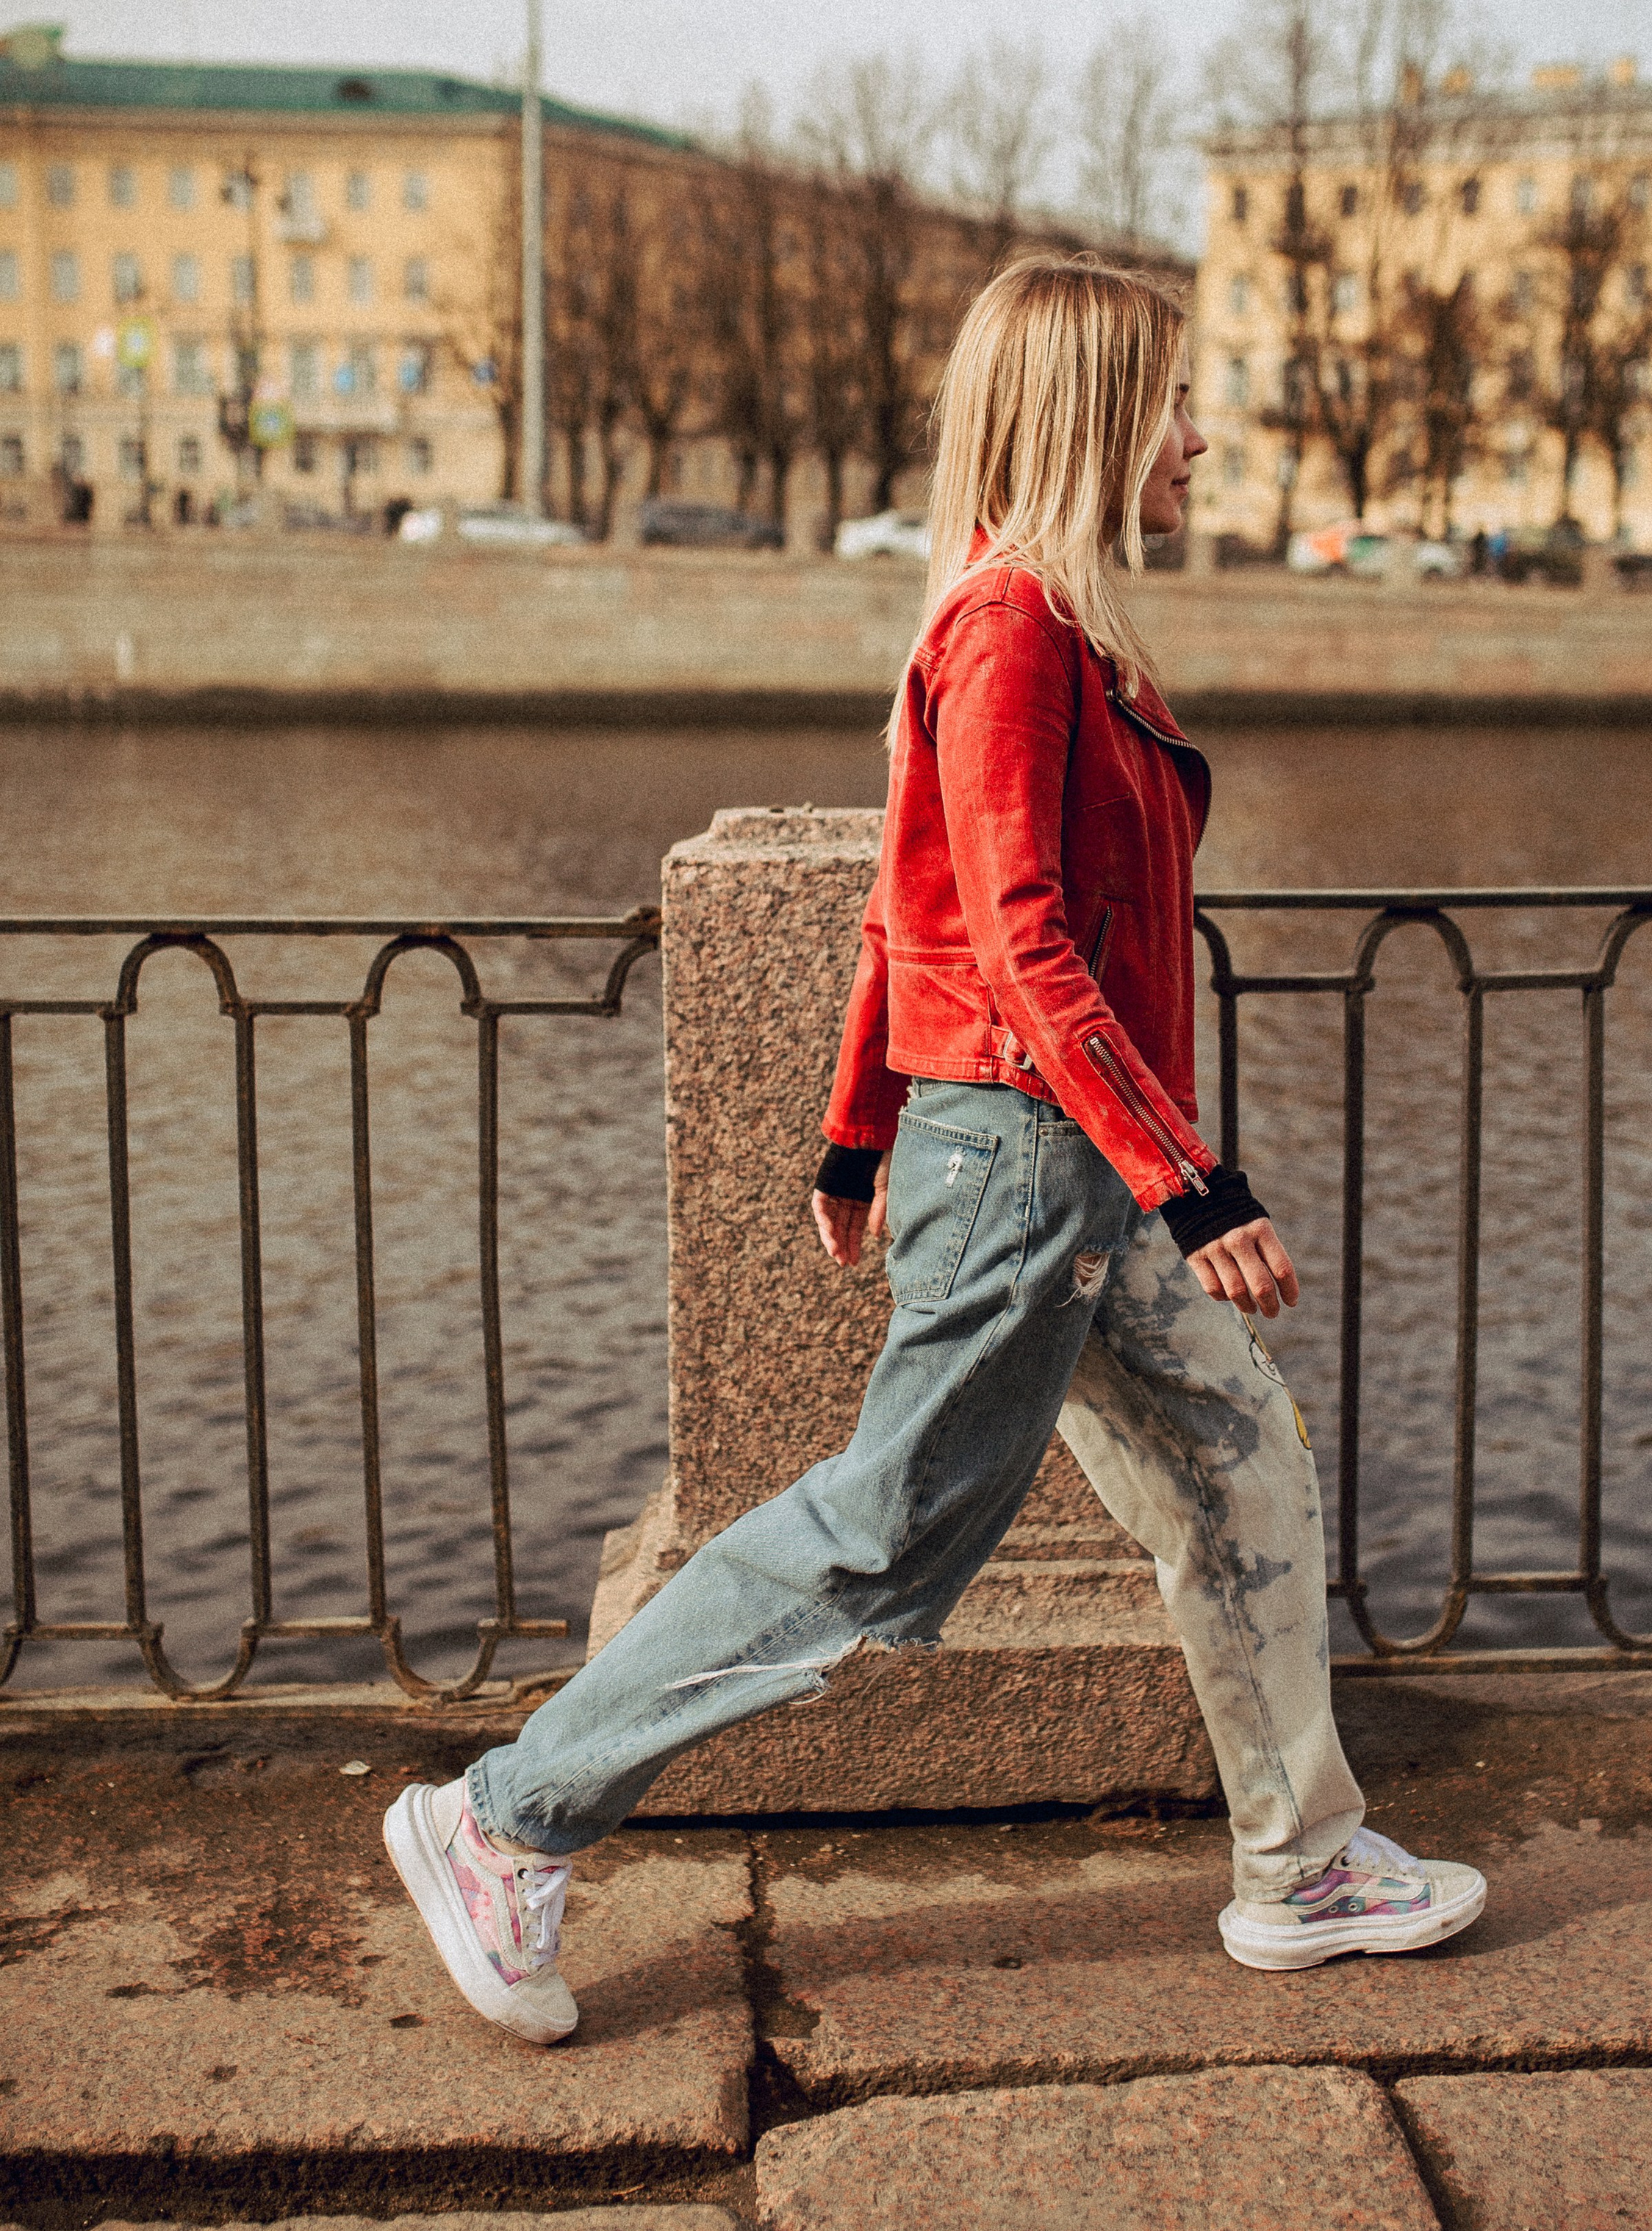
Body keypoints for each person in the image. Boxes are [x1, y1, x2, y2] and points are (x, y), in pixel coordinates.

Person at [384, 257, 1486, 2045]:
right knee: (882, 1534)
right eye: (1172, 403)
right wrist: (1190, 1181)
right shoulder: (1008, 635)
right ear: (1088, 419)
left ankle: (1303, 1863)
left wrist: (847, 1138)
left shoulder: (1040, 626)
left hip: (1053, 1161)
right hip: (1037, 1163)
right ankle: (503, 1818)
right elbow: (1017, 937)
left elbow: (909, 913)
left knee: (1240, 1455)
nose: (1199, 437)